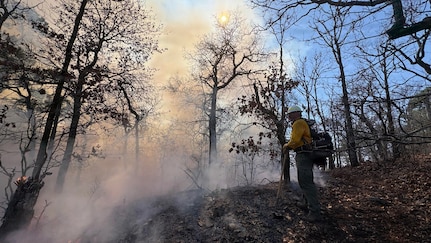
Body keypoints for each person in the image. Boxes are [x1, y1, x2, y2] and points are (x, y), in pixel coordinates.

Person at [282, 105, 322, 222]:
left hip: (304, 155)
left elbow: (295, 140)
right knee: (305, 181)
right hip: (305, 154)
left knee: (306, 182)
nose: (288, 116)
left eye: (290, 114)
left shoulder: (298, 123)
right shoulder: (301, 122)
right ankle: (305, 202)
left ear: (296, 113)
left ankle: (315, 212)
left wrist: (286, 146)